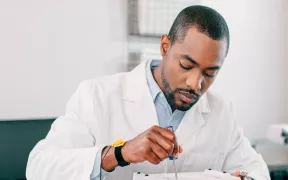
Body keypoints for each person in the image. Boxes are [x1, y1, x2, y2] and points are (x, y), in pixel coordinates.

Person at [26, 5, 270, 180]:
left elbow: (257, 171)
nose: (196, 83)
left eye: (210, 73)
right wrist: (119, 154)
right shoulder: (96, 95)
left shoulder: (221, 111)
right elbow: (39, 168)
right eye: (186, 65)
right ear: (165, 47)